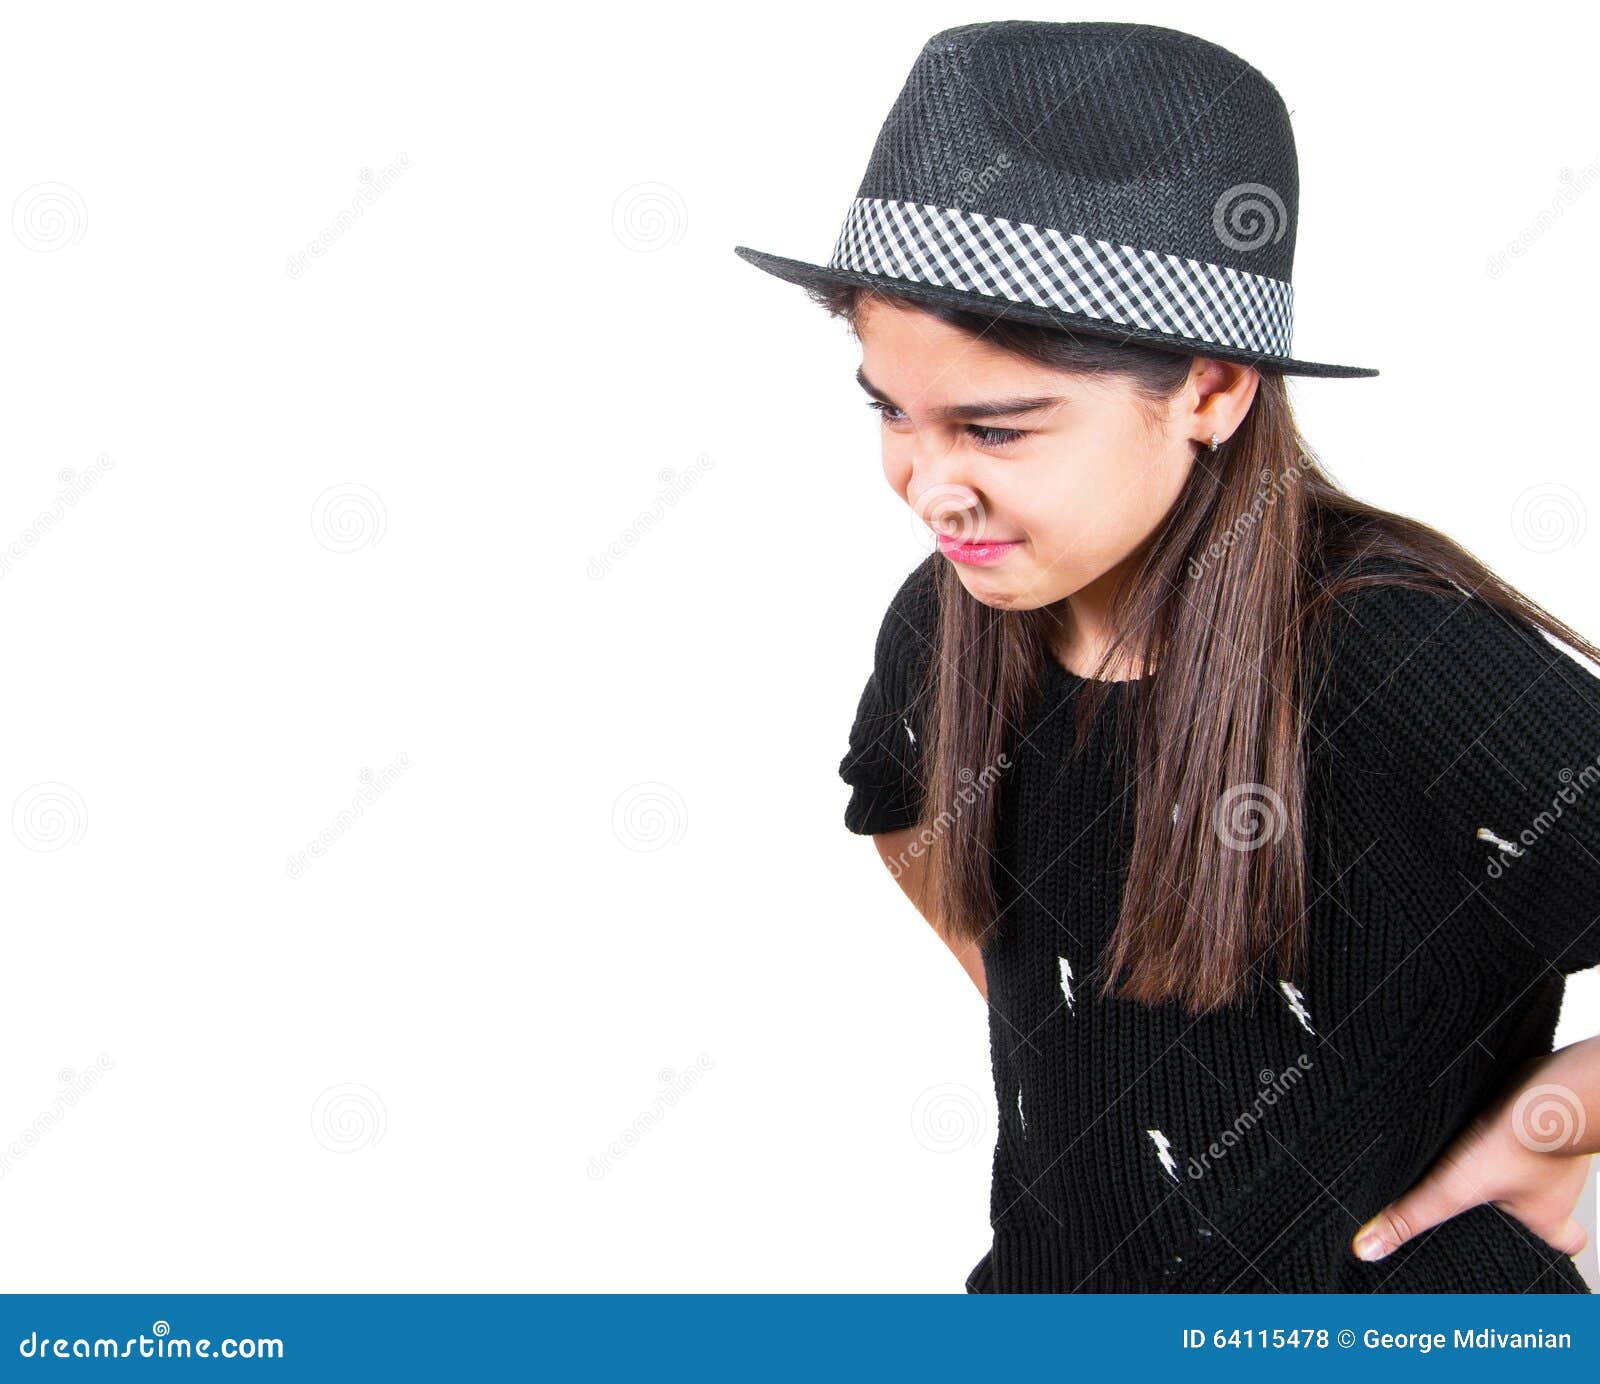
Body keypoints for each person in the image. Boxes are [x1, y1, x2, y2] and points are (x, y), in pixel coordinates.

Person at [734, 20, 1600, 1293]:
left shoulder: (1404, 657)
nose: (928, 485)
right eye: (890, 409)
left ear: (1210, 388)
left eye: (996, 427)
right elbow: (906, 815)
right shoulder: (947, 621)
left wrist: (1560, 1114)